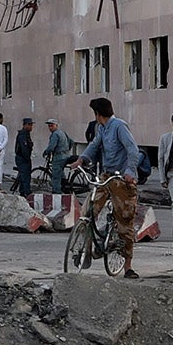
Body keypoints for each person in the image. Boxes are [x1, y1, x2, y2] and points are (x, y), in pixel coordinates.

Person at [82, 97, 142, 278]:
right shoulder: (101, 128)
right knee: (89, 210)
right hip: (107, 176)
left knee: (125, 221)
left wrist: (130, 171)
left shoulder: (119, 126)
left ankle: (128, 267)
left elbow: (133, 149)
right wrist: (82, 159)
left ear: (98, 114)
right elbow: (94, 145)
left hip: (122, 179)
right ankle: (88, 248)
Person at [44, 118, 73, 191]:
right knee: (61, 172)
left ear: (56, 125)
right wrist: (67, 150)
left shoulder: (55, 134)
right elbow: (71, 142)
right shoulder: (62, 132)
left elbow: (51, 147)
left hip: (58, 157)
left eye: (52, 126)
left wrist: (46, 152)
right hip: (66, 156)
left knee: (56, 177)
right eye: (49, 126)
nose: (50, 128)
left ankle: (56, 193)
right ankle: (64, 185)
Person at [14, 116, 35, 198]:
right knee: (25, 176)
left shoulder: (26, 134)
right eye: (29, 125)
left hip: (24, 158)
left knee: (24, 176)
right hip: (22, 158)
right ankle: (26, 193)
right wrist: (27, 158)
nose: (31, 127)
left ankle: (22, 192)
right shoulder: (22, 135)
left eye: (31, 125)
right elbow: (24, 149)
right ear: (24, 125)